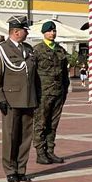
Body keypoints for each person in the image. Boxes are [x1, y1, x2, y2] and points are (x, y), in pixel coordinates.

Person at [0, 16, 38, 182]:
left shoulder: (29, 49)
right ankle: (10, 170)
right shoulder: (0, 49)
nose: (27, 33)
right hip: (10, 99)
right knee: (10, 136)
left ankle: (21, 169)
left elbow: (34, 77)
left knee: (25, 137)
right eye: (25, 30)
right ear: (16, 32)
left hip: (28, 99)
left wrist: (37, 97)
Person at [30, 21, 70, 165]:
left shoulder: (60, 50)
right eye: (49, 31)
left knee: (53, 124)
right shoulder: (37, 50)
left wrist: (65, 90)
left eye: (54, 31)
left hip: (58, 93)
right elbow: (32, 74)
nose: (52, 33)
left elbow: (65, 74)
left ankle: (50, 151)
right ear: (44, 33)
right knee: (41, 124)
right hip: (43, 94)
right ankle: (40, 153)